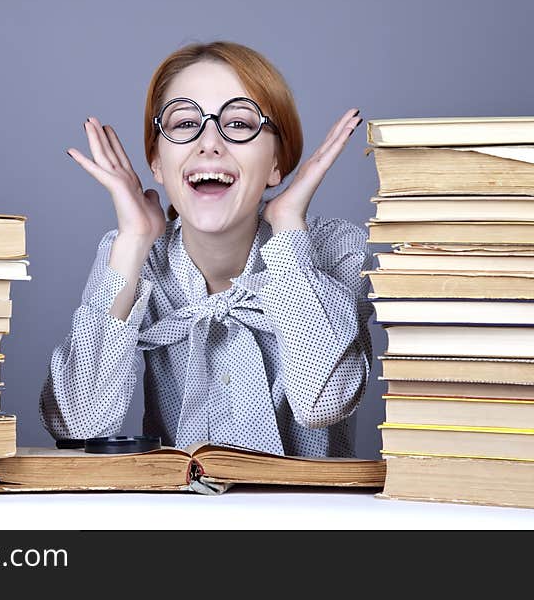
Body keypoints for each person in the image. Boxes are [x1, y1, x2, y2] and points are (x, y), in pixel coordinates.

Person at [41, 40, 371, 457]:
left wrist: (288, 232)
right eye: (183, 124)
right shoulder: (132, 253)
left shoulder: (334, 248)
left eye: (237, 123)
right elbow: (76, 424)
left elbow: (324, 404)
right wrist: (133, 244)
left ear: (275, 163)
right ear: (157, 162)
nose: (209, 143)